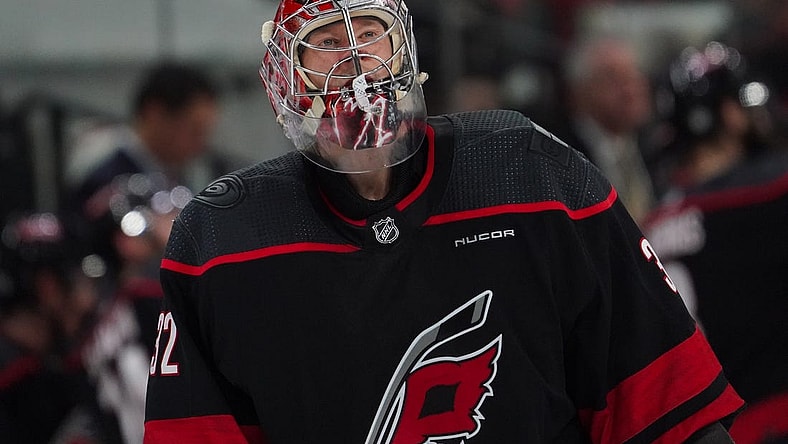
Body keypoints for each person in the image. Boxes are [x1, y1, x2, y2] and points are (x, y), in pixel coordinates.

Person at [143, 1, 743, 442]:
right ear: (283, 79)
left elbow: (665, 403)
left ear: (405, 49)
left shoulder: (530, 171)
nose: (354, 60)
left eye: (371, 32)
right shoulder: (222, 240)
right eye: (324, 40)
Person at [642, 41, 788, 444]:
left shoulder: (651, 221)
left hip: (705, 429)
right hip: (773, 416)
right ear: (724, 115)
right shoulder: (771, 194)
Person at [558, 37, 656, 224]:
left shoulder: (657, 145)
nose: (631, 90)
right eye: (614, 79)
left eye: (634, 76)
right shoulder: (559, 157)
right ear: (578, 91)